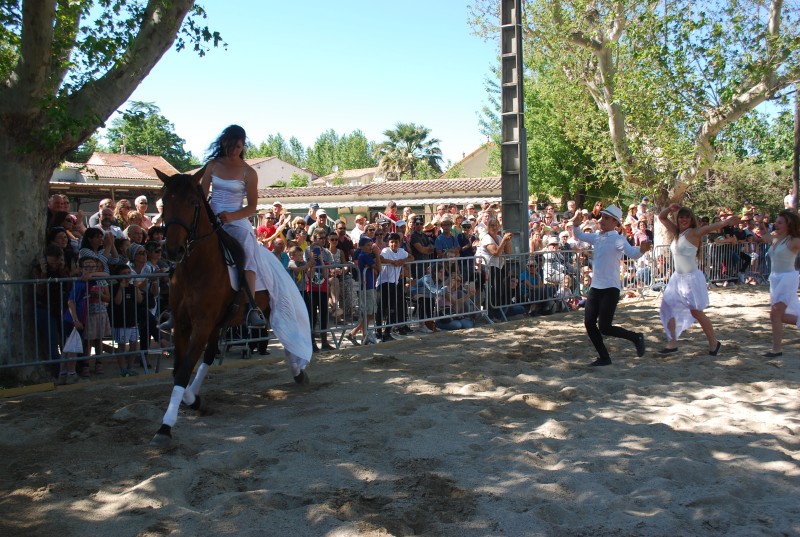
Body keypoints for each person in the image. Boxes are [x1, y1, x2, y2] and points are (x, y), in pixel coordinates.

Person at [200, 126, 267, 328]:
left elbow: (253, 206)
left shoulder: (249, 172)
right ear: (223, 143)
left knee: (247, 247)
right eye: (232, 145)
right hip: (212, 218)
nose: (235, 150)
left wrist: (231, 216)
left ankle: (252, 307)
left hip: (236, 220)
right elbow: (201, 197)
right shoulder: (212, 165)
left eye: (239, 146)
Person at [570, 206, 651, 366]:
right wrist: (576, 224)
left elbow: (632, 254)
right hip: (596, 287)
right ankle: (604, 357)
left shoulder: (618, 239)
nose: (602, 220)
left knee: (605, 327)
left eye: (606, 218)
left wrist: (641, 251)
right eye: (602, 217)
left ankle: (636, 337)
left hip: (610, 288)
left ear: (615, 222)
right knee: (589, 323)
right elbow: (578, 234)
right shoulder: (597, 237)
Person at [657, 204, 738, 355]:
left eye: (687, 217)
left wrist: (727, 221)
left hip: (690, 278)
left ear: (691, 219)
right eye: (681, 217)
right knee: (667, 308)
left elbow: (710, 227)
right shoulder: (676, 232)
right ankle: (672, 342)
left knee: (696, 312)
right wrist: (669, 208)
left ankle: (714, 343)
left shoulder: (694, 233)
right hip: (677, 278)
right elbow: (661, 217)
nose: (684, 219)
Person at [764, 209, 800, 357]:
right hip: (775, 278)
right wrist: (760, 223)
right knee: (777, 316)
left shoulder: (794, 240)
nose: (776, 224)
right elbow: (764, 236)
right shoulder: (775, 239)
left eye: (780, 222)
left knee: (775, 312)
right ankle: (777, 348)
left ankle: (777, 349)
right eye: (775, 222)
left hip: (788, 278)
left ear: (788, 224)